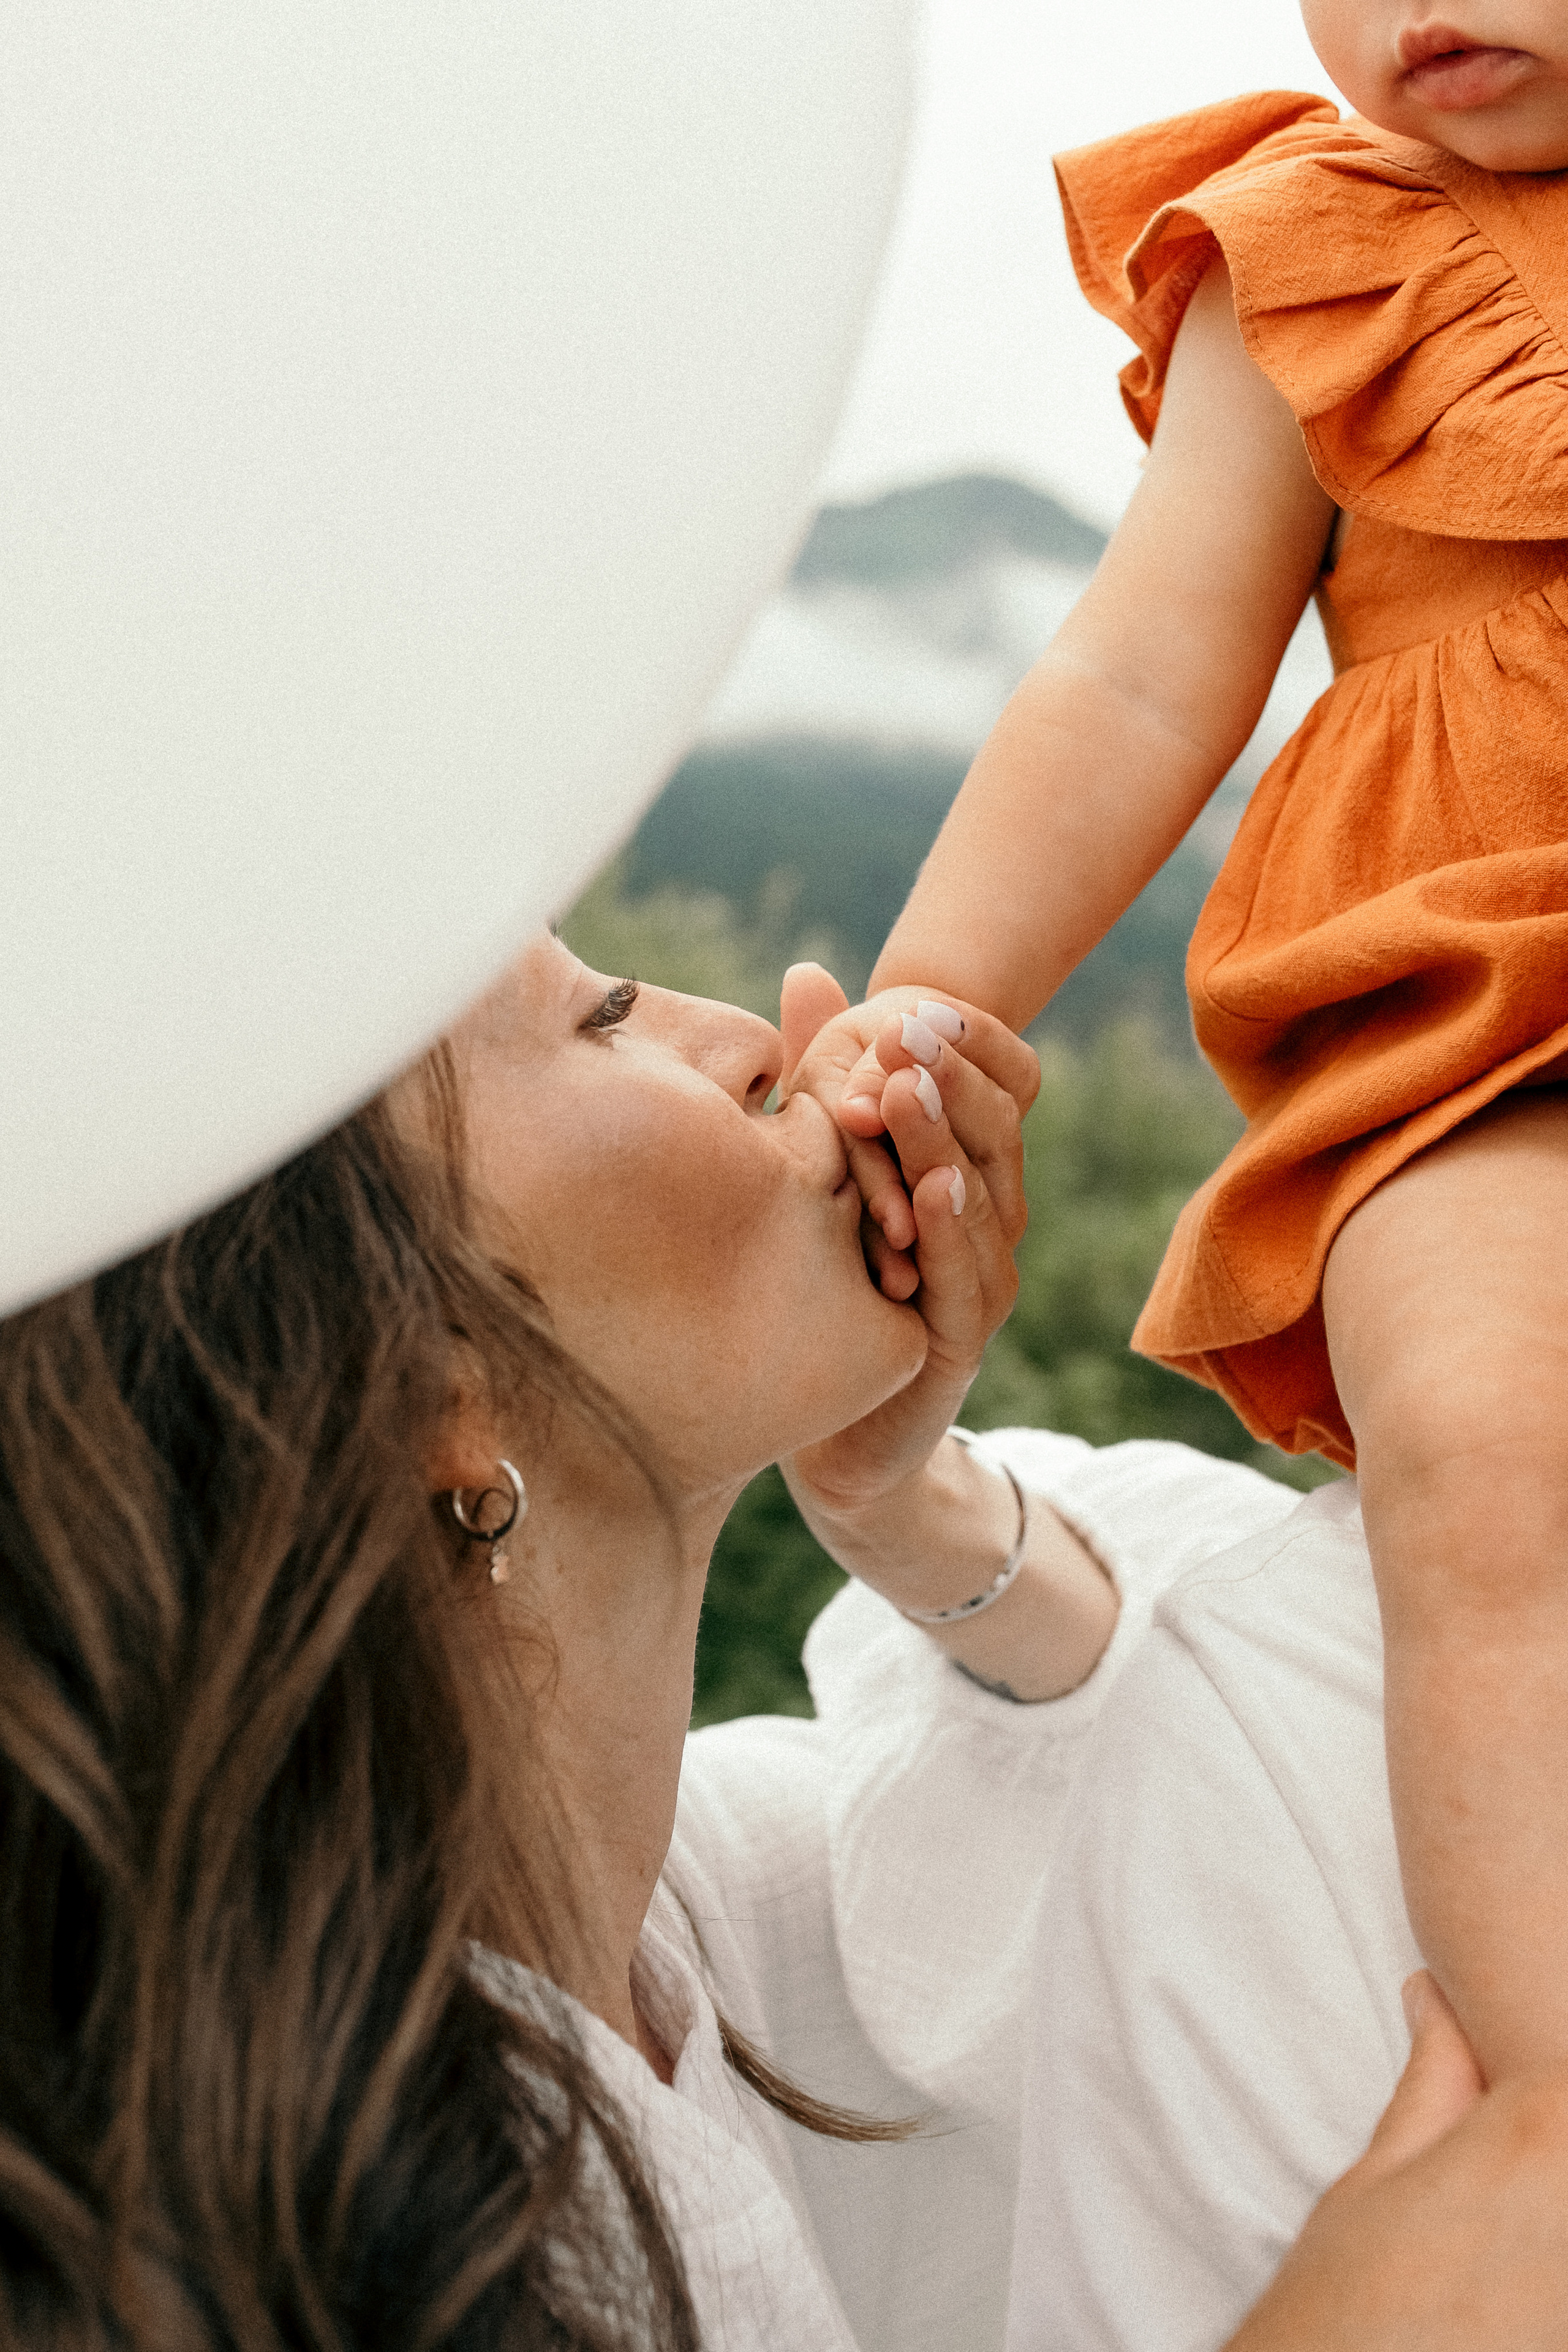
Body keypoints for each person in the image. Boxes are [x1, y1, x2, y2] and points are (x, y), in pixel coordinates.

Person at [6, 936, 1568, 2351]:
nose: (763, 1035)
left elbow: (1152, 1770)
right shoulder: (296, 2236)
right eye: (607, 1019)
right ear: (424, 1389)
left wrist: (904, 1509)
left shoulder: (643, 1928)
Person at [793, 1, 1568, 2105]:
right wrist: (930, 994)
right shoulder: (1323, 241)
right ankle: (1537, 2108)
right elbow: (1138, 679)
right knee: (1491, 1449)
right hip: (1484, 1040)